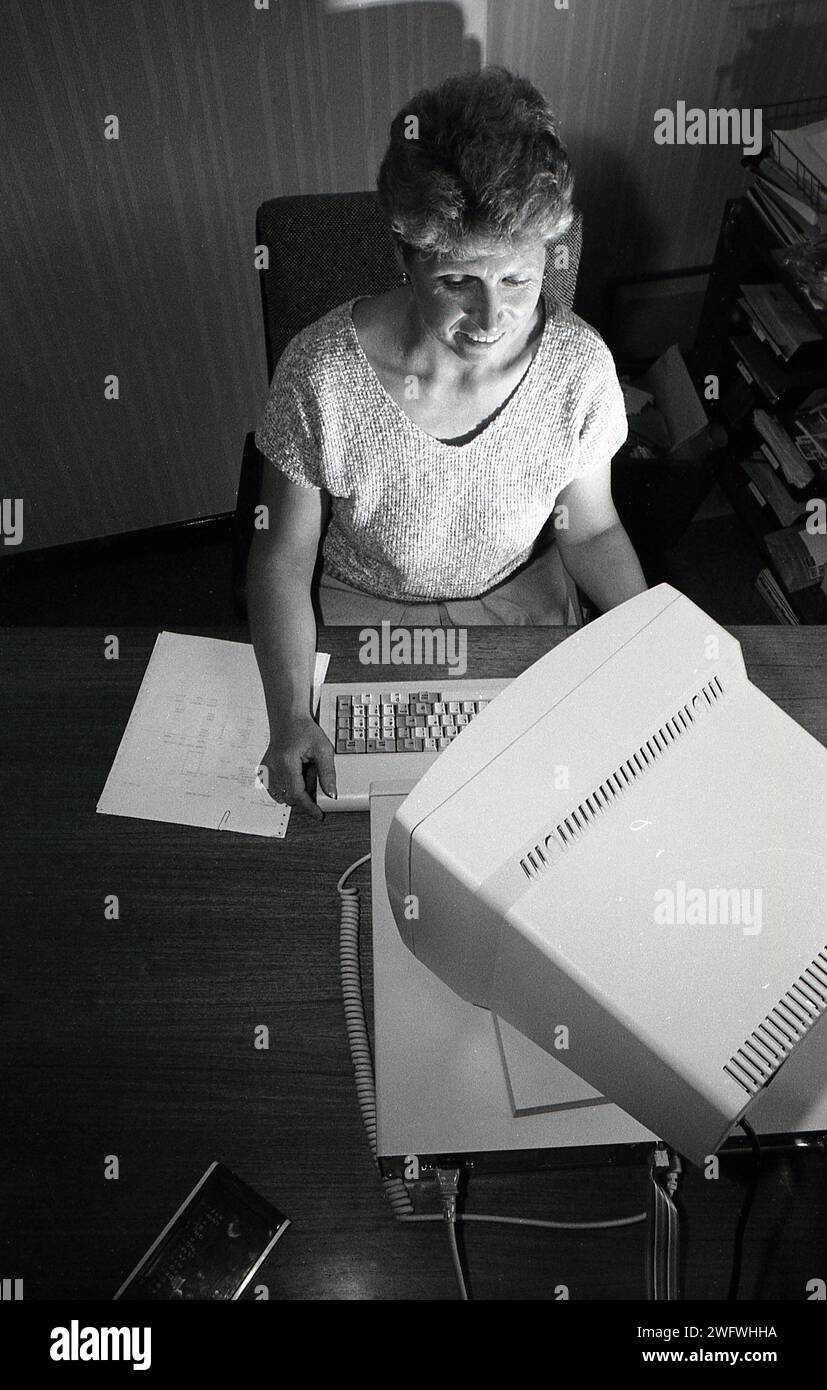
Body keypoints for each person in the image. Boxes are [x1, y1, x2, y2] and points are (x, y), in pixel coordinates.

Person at [249, 66, 647, 820]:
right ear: (406, 259)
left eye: (520, 282)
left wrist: (650, 637)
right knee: (362, 825)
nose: (492, 318)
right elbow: (282, 557)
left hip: (519, 599)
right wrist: (290, 716)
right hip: (364, 612)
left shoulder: (577, 367)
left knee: (543, 816)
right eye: (458, 280)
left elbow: (590, 529)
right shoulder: (321, 373)